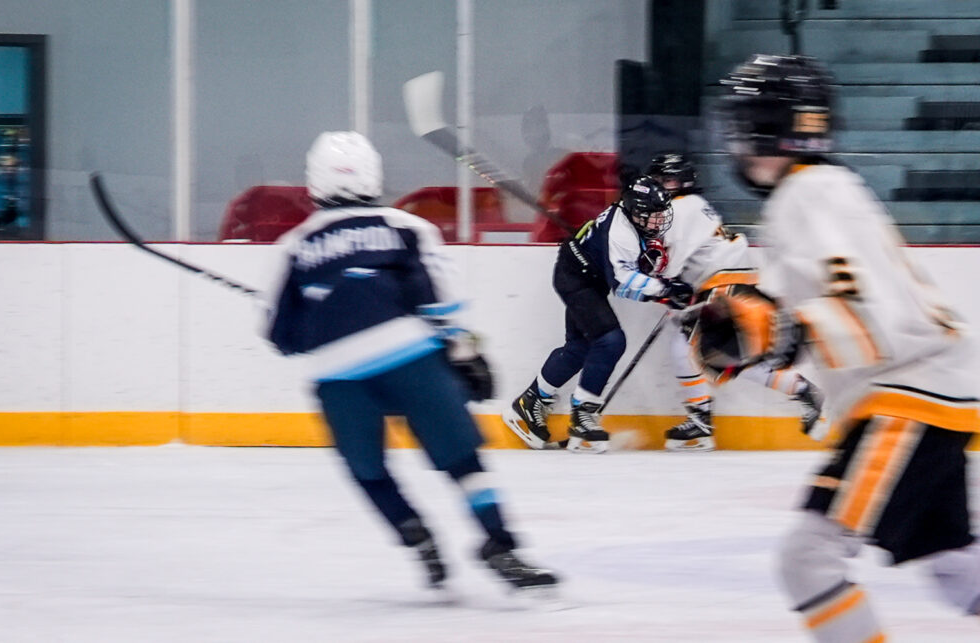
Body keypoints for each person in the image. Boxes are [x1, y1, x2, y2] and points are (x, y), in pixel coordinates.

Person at [717, 54, 980, 641]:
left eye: (746, 125)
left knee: (807, 561)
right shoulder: (822, 190)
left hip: (909, 398)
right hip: (929, 392)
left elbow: (859, 303)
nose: (737, 142)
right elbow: (818, 301)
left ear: (771, 128)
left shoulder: (807, 193)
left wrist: (775, 329)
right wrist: (746, 324)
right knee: (958, 570)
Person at [264, 131, 557, 592]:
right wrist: (466, 352)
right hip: (410, 356)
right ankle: (501, 544)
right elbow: (439, 300)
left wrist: (316, 320)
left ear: (315, 180)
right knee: (462, 459)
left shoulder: (295, 245)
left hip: (337, 374)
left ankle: (413, 533)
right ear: (373, 175)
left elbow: (282, 337)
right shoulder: (404, 226)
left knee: (368, 469)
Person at [645, 151, 825, 452]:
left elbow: (670, 261)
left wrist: (660, 287)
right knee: (717, 354)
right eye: (658, 180)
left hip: (722, 281)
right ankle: (800, 390)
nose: (662, 185)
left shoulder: (682, 207)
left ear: (683, 181)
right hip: (728, 278)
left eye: (668, 180)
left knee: (696, 348)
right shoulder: (691, 205)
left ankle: (702, 419)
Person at [502, 175, 692, 453]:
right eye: (653, 215)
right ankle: (583, 416)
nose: (658, 221)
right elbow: (623, 282)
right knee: (610, 341)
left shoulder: (631, 224)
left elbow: (623, 286)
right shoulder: (622, 233)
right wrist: (664, 289)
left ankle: (530, 402)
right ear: (637, 212)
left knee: (579, 348)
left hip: (585, 276)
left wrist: (660, 293)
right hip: (576, 278)